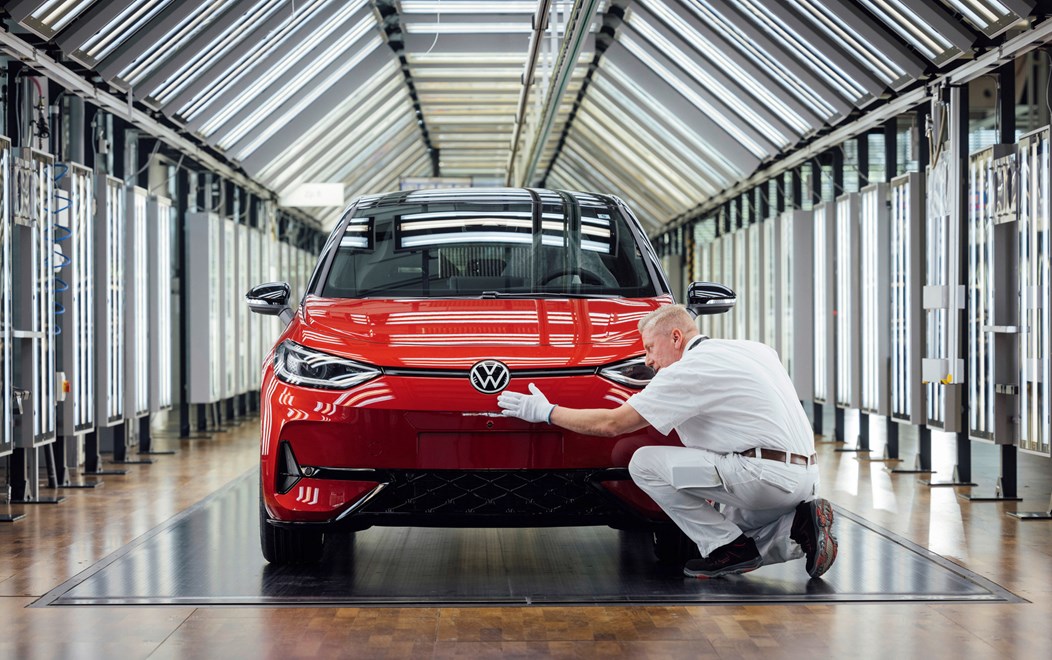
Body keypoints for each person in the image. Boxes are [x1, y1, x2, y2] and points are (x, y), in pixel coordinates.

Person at [497, 304, 837, 579]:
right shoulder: (755, 350)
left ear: (676, 337)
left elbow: (611, 424)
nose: (647, 360)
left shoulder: (687, 370)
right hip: (805, 478)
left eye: (649, 348)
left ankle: (727, 547)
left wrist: (546, 411)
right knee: (736, 533)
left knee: (644, 463)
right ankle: (799, 526)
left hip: (761, 477)